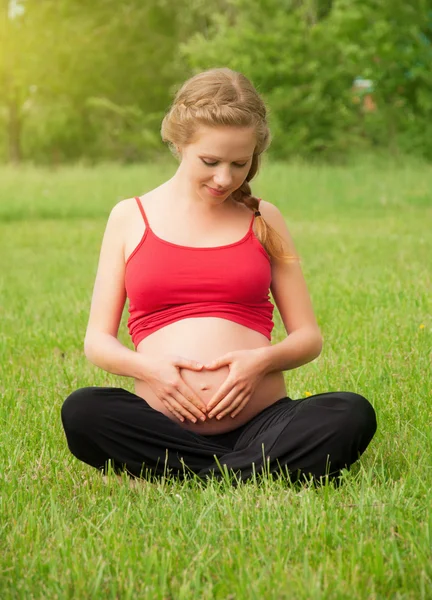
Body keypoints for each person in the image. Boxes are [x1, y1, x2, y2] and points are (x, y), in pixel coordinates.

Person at [61, 68, 377, 486]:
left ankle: (192, 474)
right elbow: (97, 342)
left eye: (239, 163)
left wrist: (259, 362)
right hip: (163, 425)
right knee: (83, 410)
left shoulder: (264, 217)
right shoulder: (129, 217)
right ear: (178, 143)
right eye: (209, 162)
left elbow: (307, 338)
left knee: (351, 412)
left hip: (263, 423)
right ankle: (250, 471)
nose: (224, 178)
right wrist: (152, 371)